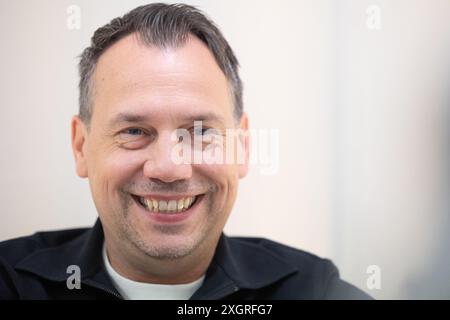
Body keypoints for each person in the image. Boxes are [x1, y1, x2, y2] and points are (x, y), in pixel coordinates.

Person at [0, 3, 371, 300]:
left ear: (241, 147)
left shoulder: (313, 291)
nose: (168, 168)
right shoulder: (11, 282)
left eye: (200, 131)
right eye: (133, 131)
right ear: (81, 147)